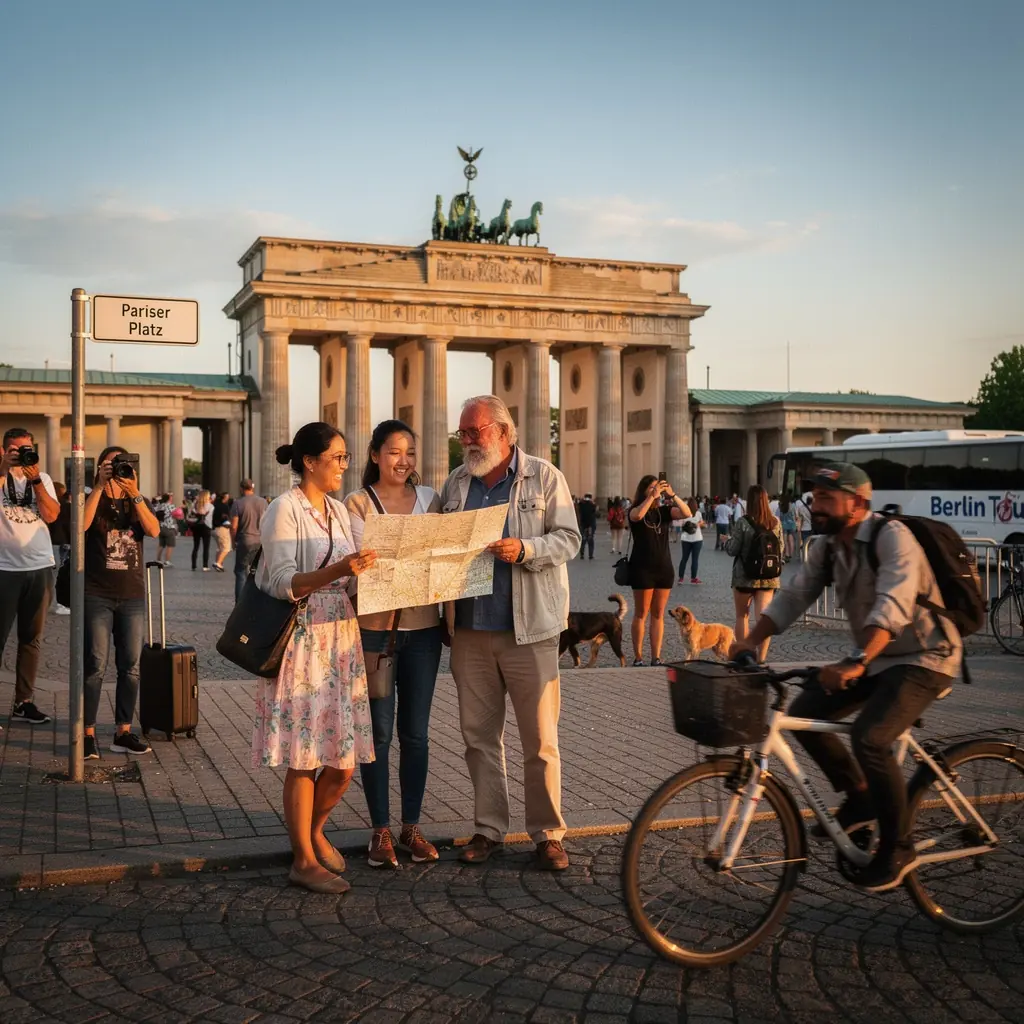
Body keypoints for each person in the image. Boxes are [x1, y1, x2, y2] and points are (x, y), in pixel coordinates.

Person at [730, 462, 963, 891]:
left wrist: (855, 661)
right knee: (805, 714)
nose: (815, 505)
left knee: (870, 737)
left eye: (826, 497)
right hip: (877, 658)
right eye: (815, 496)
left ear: (857, 503)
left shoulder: (893, 538)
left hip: (926, 656)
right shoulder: (829, 546)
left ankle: (899, 846)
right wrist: (750, 640)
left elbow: (892, 605)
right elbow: (794, 595)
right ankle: (859, 796)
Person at [441, 395, 581, 871]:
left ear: (502, 432)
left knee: (540, 742)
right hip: (470, 630)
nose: (466, 440)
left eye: (474, 431)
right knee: (479, 739)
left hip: (530, 630)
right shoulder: (457, 482)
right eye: (462, 432)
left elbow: (569, 539)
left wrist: (525, 549)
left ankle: (548, 834)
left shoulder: (544, 476)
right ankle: (488, 829)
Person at [252, 422, 378, 894]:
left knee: (343, 762)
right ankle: (303, 859)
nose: (344, 465)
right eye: (337, 457)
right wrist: (340, 569)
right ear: (309, 461)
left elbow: (353, 569)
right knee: (305, 758)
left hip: (341, 636)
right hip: (302, 637)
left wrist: (368, 570)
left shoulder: (338, 510)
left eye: (346, 457)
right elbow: (282, 581)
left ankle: (314, 830)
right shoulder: (283, 509)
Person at [345, 420, 443, 869]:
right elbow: (354, 571)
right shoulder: (357, 503)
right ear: (374, 455)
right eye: (393, 452)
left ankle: (412, 827)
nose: (403, 461)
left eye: (410, 453)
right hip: (374, 632)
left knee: (416, 733)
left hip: (424, 631)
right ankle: (380, 829)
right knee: (379, 732)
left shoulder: (431, 500)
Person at [82, 446, 162, 758]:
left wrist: (135, 493)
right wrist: (99, 487)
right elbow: (81, 526)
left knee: (131, 667)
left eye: (121, 464)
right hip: (97, 593)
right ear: (100, 468)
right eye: (110, 465)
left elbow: (153, 529)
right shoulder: (92, 497)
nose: (116, 469)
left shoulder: (136, 499)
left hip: (132, 595)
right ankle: (87, 733)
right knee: (95, 665)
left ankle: (123, 731)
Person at [0, 427, 59, 725]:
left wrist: (35, 479)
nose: (21, 454)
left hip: (39, 567)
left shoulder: (42, 478)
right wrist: (3, 469)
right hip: (4, 569)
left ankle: (23, 702)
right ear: (3, 451)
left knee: (31, 639)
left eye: (26, 449)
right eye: (15, 449)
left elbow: (51, 515)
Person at [627, 475, 691, 666]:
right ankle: (638, 657)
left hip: (664, 569)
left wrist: (673, 495)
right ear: (644, 490)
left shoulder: (664, 511)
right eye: (652, 487)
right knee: (641, 613)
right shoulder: (634, 510)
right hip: (642, 569)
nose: (656, 490)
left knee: (658, 614)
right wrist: (651, 497)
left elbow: (687, 513)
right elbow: (637, 516)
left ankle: (656, 657)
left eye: (658, 487)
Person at [725, 484, 783, 664]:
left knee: (742, 616)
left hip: (744, 577)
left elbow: (733, 549)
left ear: (749, 502)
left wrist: (726, 542)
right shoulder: (775, 522)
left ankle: (744, 657)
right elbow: (780, 548)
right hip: (768, 578)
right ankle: (761, 659)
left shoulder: (743, 522)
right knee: (762, 619)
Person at [229, 480, 267, 602]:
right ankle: (255, 601)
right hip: (260, 541)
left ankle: (240, 602)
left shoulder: (238, 503)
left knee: (240, 571)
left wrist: (233, 541)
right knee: (256, 572)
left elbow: (234, 526)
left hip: (245, 540)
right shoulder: (263, 502)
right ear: (252, 488)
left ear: (241, 488)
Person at [48, 481, 71, 614]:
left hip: (51, 542)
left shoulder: (48, 505)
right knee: (55, 575)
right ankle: (54, 604)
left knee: (52, 575)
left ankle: (53, 603)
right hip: (61, 542)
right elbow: (68, 525)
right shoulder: (65, 506)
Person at [677, 498, 704, 585]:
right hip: (697, 538)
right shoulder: (698, 513)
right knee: (695, 559)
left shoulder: (684, 513)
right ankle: (693, 578)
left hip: (685, 539)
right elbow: (701, 523)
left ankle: (681, 578)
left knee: (684, 558)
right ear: (696, 505)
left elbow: (681, 525)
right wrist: (697, 524)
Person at [189, 489, 214, 571]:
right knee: (206, 547)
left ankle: (193, 565)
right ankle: (205, 566)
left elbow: (190, 513)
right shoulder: (210, 506)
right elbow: (210, 517)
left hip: (196, 526)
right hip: (206, 526)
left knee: (195, 546)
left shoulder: (195, 505)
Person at [152, 492, 179, 567]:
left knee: (161, 544)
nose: (172, 497)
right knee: (170, 545)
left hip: (161, 527)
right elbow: (178, 514)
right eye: (171, 496)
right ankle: (167, 561)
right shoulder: (171, 506)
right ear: (169, 498)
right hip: (169, 527)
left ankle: (158, 560)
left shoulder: (160, 506)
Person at [211, 492, 233, 572]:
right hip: (222, 528)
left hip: (214, 529)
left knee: (220, 547)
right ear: (225, 498)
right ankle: (218, 563)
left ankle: (218, 563)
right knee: (227, 548)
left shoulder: (215, 505)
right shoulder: (224, 507)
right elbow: (225, 517)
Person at [577, 492, 597, 560]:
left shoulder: (581, 504)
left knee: (583, 539)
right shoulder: (592, 505)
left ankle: (582, 554)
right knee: (590, 540)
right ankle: (590, 555)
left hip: (583, 524)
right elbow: (595, 513)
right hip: (590, 525)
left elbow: (579, 511)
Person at [779, 495, 798, 562]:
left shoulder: (781, 506)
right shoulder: (793, 506)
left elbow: (780, 516)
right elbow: (796, 516)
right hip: (792, 525)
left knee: (785, 541)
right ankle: (790, 555)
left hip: (784, 525)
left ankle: (786, 554)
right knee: (791, 540)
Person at [794, 492, 813, 557]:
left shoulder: (802, 508)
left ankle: (805, 556)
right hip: (811, 527)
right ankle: (810, 555)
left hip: (804, 528)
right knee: (811, 543)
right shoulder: (813, 508)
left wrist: (798, 527)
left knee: (805, 543)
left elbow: (799, 517)